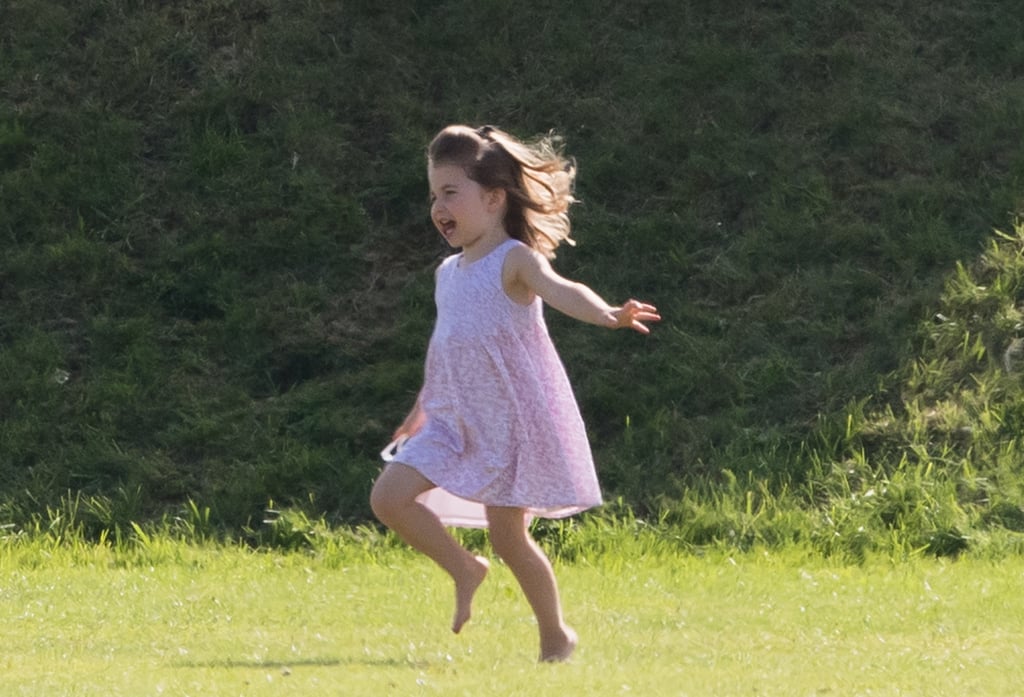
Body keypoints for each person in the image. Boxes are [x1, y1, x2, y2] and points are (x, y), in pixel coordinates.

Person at [370, 124, 660, 662]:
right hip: (453, 423)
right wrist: (419, 411)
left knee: (509, 538)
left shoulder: (514, 260)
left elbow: (561, 289)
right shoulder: (447, 273)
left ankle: (556, 635)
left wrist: (607, 314)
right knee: (388, 497)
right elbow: (447, 349)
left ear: (494, 197)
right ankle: (464, 567)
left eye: (450, 193)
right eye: (433, 196)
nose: (439, 207)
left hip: (509, 428)